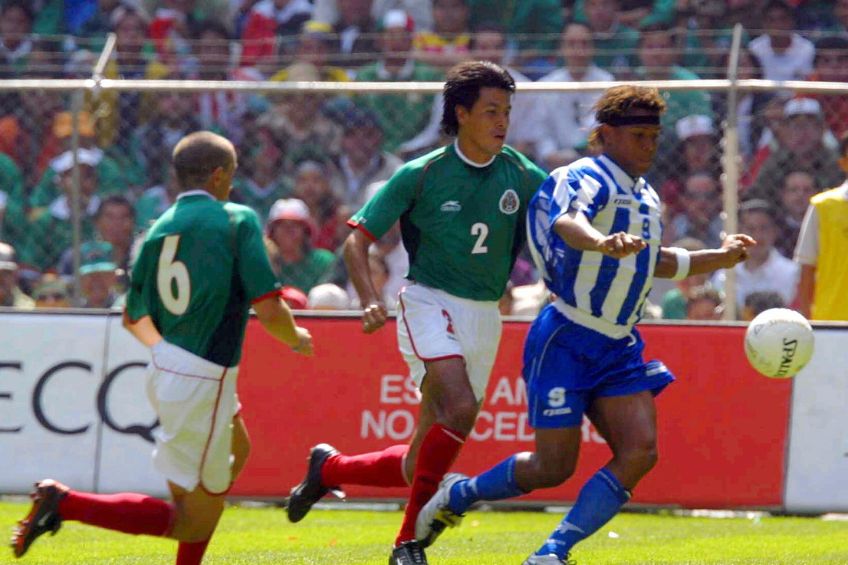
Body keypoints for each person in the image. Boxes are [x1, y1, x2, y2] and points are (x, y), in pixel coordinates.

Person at [414, 85, 754, 565]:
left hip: (619, 345)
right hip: (567, 336)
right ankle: (458, 495)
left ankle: (553, 550)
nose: (649, 147)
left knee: (640, 452)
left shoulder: (647, 195)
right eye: (638, 136)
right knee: (553, 468)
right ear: (607, 136)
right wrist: (600, 241)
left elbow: (653, 262)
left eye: (654, 137)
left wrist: (718, 257)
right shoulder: (586, 175)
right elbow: (568, 222)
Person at [284, 60, 548, 565]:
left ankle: (330, 469)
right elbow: (355, 242)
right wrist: (369, 299)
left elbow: (559, 212)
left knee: (417, 460)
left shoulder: (519, 170)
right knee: (462, 409)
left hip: (484, 316)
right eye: (491, 110)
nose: (502, 121)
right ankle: (407, 543)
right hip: (427, 302)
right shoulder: (421, 173)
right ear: (461, 114)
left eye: (507, 112)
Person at [12, 131, 314, 564]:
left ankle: (77, 505)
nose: (232, 182)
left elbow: (132, 318)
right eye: (230, 174)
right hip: (203, 378)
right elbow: (269, 308)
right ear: (218, 175)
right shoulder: (236, 219)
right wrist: (296, 339)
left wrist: (170, 354)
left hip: (173, 369)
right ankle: (65, 503)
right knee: (193, 521)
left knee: (238, 448)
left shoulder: (156, 229)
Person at [794, 131, 848, 321]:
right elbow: (807, 268)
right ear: (843, 163)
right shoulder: (822, 207)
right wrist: (807, 321)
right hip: (832, 320)